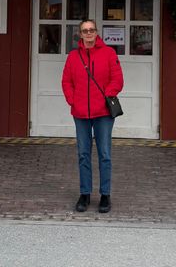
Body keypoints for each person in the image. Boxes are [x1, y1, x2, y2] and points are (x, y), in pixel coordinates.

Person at [61, 18, 124, 213]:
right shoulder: (73, 56)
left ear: (97, 33)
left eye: (91, 30)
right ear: (80, 34)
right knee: (83, 154)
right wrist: (73, 100)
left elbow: (118, 79)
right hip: (80, 113)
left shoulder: (109, 53)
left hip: (103, 113)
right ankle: (85, 194)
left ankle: (105, 195)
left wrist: (107, 94)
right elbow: (66, 81)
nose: (88, 33)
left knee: (104, 154)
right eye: (85, 30)